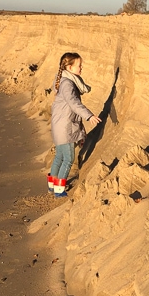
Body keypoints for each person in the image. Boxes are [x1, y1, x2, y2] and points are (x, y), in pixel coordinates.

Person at [48, 52, 101, 197]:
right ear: (70, 67)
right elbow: (74, 103)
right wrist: (88, 115)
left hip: (59, 125)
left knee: (59, 156)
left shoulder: (64, 80)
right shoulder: (67, 84)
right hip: (65, 128)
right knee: (69, 158)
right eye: (79, 66)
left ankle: (52, 184)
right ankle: (59, 189)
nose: (81, 68)